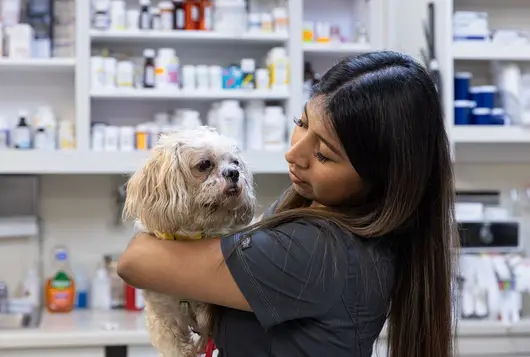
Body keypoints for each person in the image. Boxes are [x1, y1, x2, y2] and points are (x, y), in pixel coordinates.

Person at [117, 51, 457, 357]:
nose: (292, 154)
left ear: (378, 176)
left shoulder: (315, 252)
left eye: (323, 153)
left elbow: (135, 262)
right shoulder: (316, 207)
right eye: (302, 123)